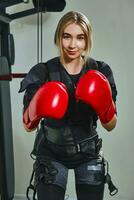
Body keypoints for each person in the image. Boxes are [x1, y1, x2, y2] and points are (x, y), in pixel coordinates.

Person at [19, 11, 118, 200]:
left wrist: (103, 103)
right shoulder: (43, 72)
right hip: (51, 153)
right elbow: (27, 127)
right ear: (58, 37)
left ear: (87, 40)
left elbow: (111, 125)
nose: (73, 45)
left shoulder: (100, 71)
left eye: (80, 38)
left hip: (89, 152)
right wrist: (38, 107)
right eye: (67, 36)